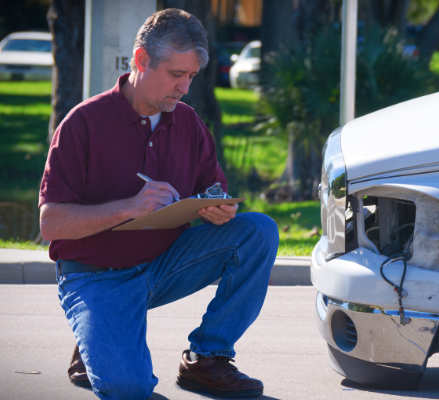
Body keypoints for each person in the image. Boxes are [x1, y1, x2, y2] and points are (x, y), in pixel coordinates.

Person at [38, 9, 278, 399]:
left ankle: (207, 359)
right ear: (140, 60)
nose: (184, 87)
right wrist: (128, 207)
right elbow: (51, 224)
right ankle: (97, 335)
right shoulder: (82, 123)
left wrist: (218, 208)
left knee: (258, 231)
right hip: (96, 275)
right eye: (175, 74)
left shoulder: (187, 122)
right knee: (128, 389)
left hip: (165, 265)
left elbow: (213, 187)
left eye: (191, 76)